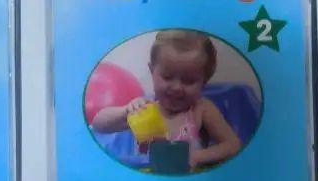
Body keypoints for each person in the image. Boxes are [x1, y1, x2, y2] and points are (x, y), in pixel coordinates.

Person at [91, 30, 242, 169]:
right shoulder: (145, 110)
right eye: (167, 77)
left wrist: (197, 156)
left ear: (204, 82)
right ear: (152, 72)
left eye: (189, 81)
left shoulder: (201, 109)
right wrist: (125, 112)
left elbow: (233, 145)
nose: (176, 87)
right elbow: (98, 125)